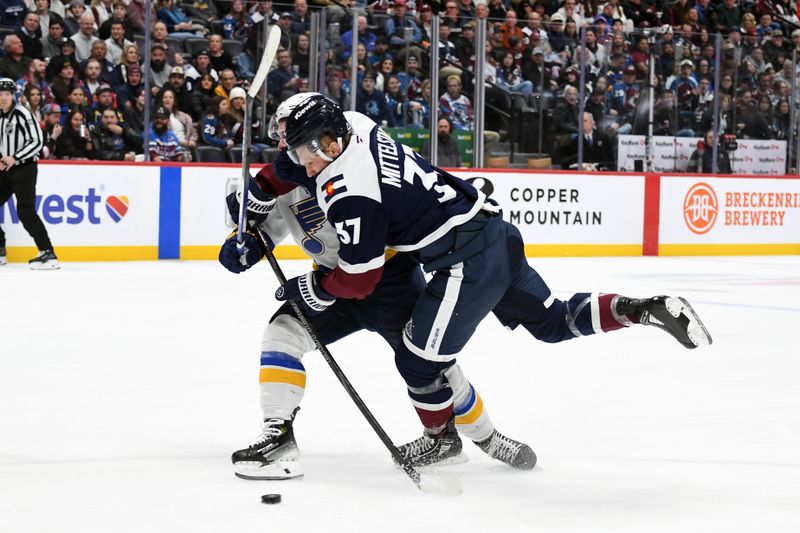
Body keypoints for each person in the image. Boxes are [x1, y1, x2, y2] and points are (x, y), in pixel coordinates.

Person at [277, 95, 713, 466]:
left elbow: (359, 279)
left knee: (417, 360)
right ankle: (640, 308)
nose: (302, 163)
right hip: (496, 234)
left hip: (464, 262)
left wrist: (312, 288)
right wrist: (263, 191)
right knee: (552, 323)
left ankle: (442, 442)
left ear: (328, 144)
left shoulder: (351, 193)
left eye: (303, 152)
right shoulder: (357, 124)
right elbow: (301, 167)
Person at [221, 93, 534, 479]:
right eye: (284, 139)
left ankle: (487, 437)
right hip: (331, 281)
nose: (288, 146)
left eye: (292, 137)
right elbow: (265, 225)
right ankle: (278, 432)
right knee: (281, 333)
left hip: (389, 279)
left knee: (431, 365)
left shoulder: (351, 172)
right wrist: (247, 239)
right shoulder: (289, 172)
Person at [0, 78, 58, 269]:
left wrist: (14, 157)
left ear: (14, 95)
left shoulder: (22, 113)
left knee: (25, 211)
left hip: (24, 168)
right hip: (5, 169)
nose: (3, 98)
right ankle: (0, 249)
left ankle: (48, 253)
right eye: (0, 94)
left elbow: (36, 141)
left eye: (7, 94)